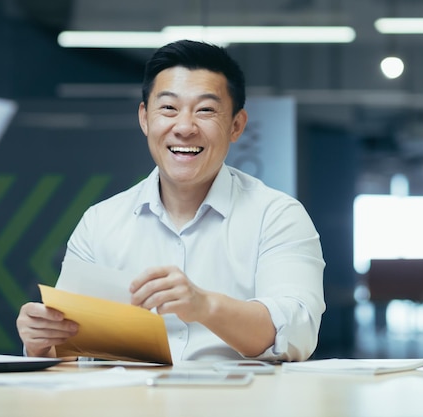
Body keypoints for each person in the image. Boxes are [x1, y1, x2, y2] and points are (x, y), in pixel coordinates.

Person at [16, 39, 325, 362]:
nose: (185, 127)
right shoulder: (100, 222)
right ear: (145, 118)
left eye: (205, 110)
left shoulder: (277, 216)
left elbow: (296, 334)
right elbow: (71, 347)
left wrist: (205, 306)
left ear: (236, 125)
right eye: (168, 108)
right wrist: (41, 341)